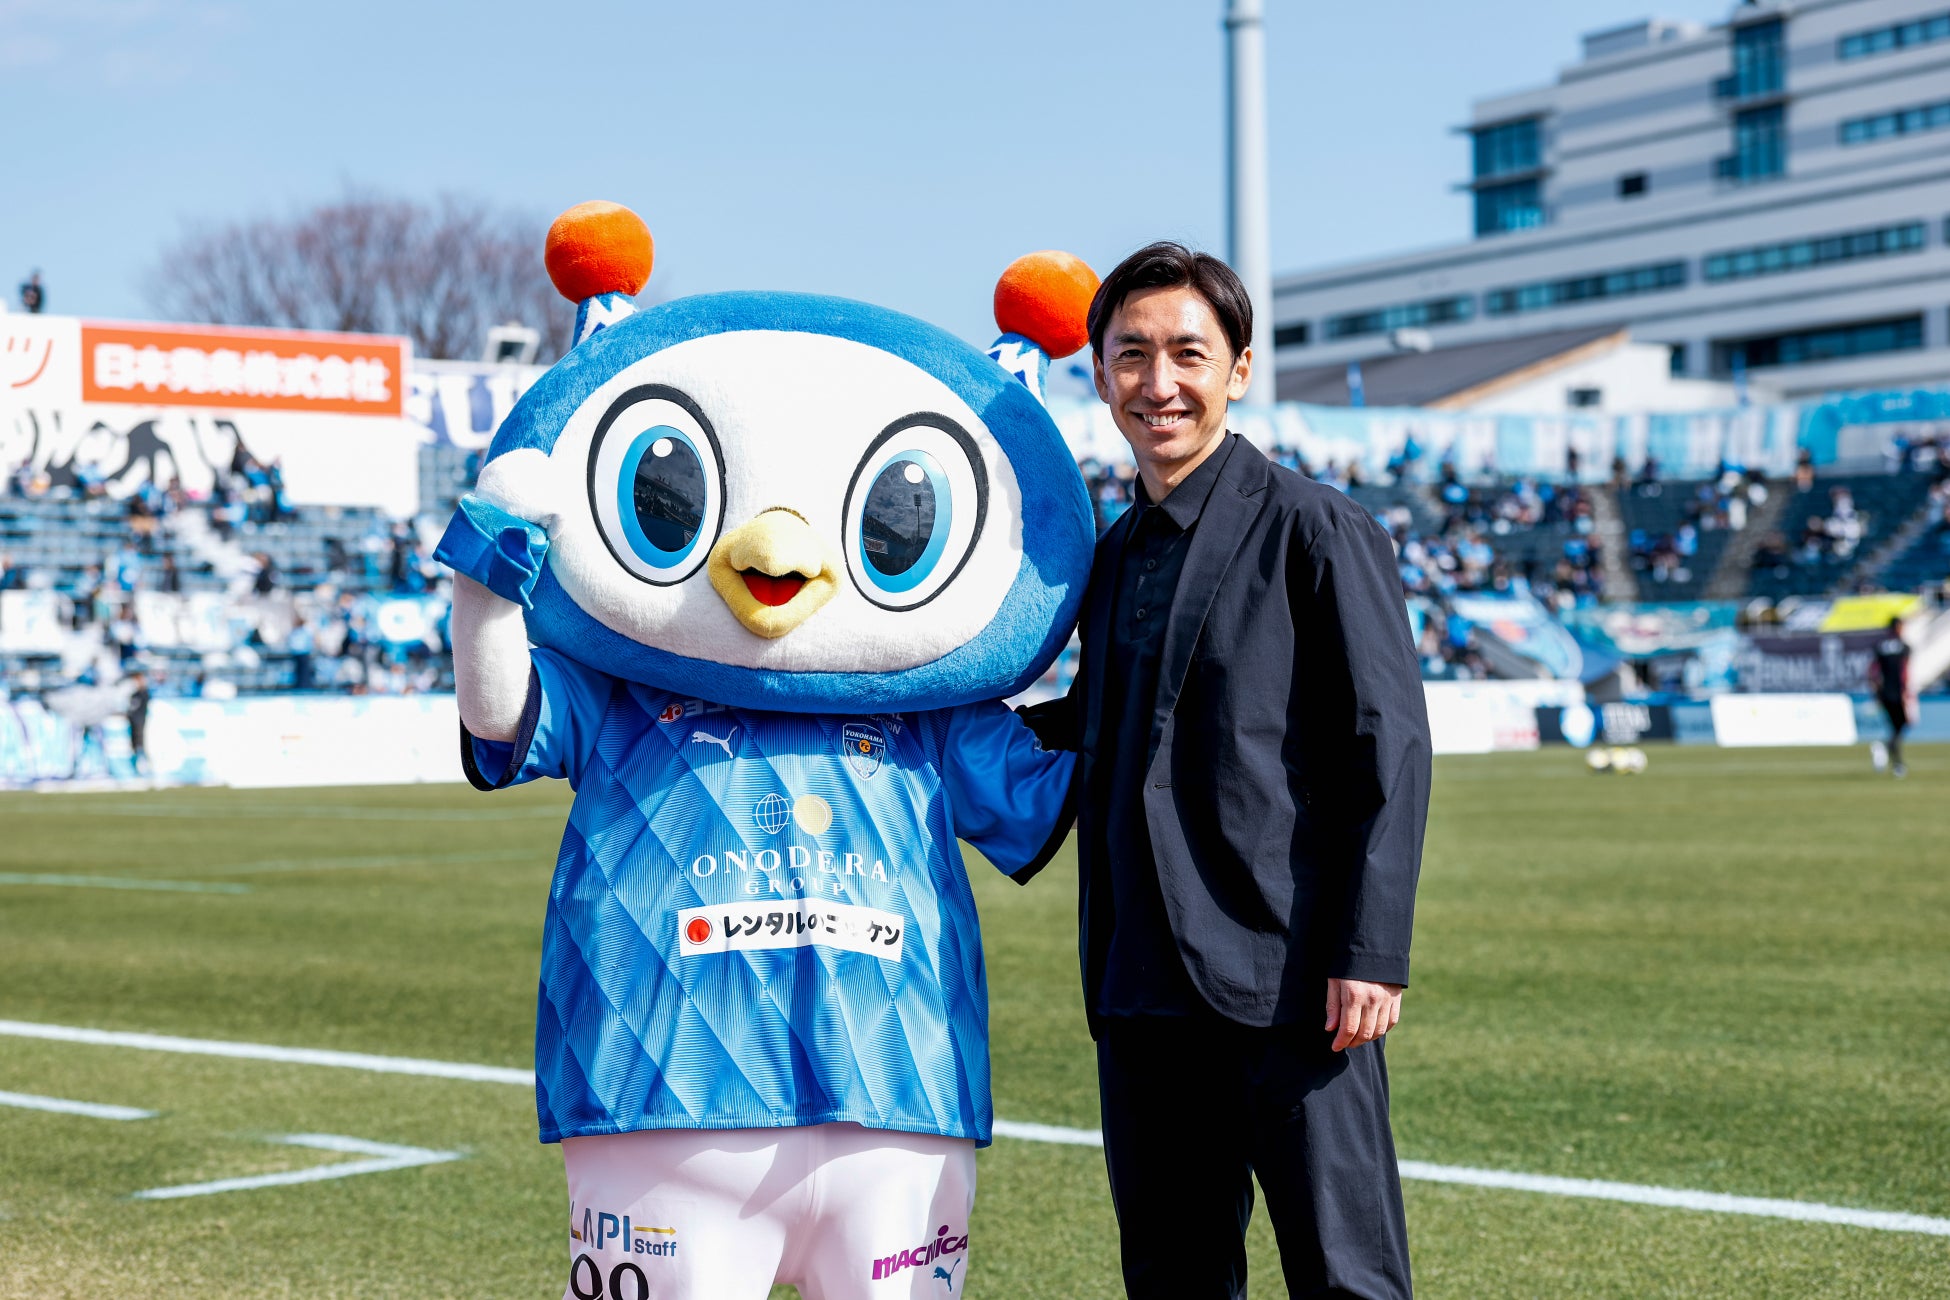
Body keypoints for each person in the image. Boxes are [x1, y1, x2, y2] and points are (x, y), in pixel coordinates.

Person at [1019, 242, 1431, 1299]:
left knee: (1347, 1279)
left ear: (1238, 369)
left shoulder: (1315, 527)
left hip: (1292, 982)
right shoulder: (1113, 554)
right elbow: (1099, 725)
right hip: (1140, 985)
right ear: (1100, 373)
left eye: (1187, 354)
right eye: (1131, 355)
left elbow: (1388, 742)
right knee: (1171, 1276)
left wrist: (1370, 952)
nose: (1159, 383)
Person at [1869, 614, 1914, 779]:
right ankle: (1893, 759)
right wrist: (1905, 692)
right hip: (1898, 693)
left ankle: (1896, 763)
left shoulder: (1880, 646)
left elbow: (1872, 672)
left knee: (1895, 727)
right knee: (1901, 725)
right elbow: (1905, 672)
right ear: (1898, 627)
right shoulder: (1904, 647)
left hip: (1884, 693)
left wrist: (1876, 692)